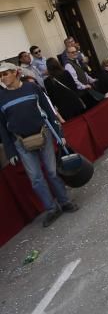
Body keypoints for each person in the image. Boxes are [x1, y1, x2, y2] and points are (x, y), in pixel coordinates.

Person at [0, 62, 79, 227]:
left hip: (44, 135)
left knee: (52, 171)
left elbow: (48, 111)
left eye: (5, 73)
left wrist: (59, 134)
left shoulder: (32, 88)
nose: (3, 77)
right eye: (0, 75)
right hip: (20, 142)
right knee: (36, 178)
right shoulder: (1, 97)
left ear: (16, 72)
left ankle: (65, 202)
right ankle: (51, 209)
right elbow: (2, 127)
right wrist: (10, 151)